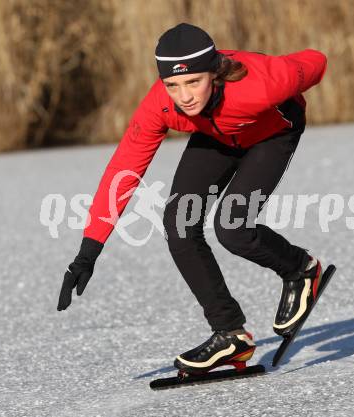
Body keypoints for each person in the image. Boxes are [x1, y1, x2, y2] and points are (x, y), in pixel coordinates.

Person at [57, 23, 327, 375]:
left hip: (270, 133)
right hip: (214, 134)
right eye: (172, 85)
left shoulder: (261, 84)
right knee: (179, 223)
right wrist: (88, 250)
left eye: (192, 82)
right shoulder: (162, 106)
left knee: (232, 228)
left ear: (214, 73)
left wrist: (268, 65)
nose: (183, 96)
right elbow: (123, 169)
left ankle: (300, 270)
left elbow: (316, 60)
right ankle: (230, 334)